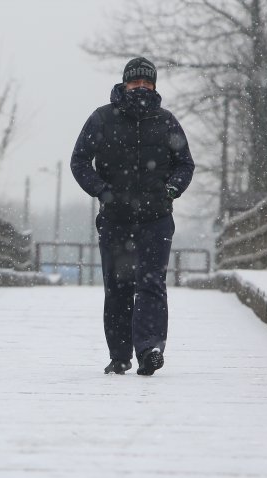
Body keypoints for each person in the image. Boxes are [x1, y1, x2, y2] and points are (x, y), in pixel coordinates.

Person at [70, 57, 195, 376]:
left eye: (147, 82)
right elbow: (80, 161)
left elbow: (185, 164)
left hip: (156, 219)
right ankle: (120, 355)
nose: (141, 87)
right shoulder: (101, 119)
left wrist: (171, 190)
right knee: (119, 287)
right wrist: (102, 191)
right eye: (135, 82)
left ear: (154, 85)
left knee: (152, 283)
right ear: (124, 84)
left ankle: (149, 349)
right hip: (116, 219)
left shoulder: (167, 122)